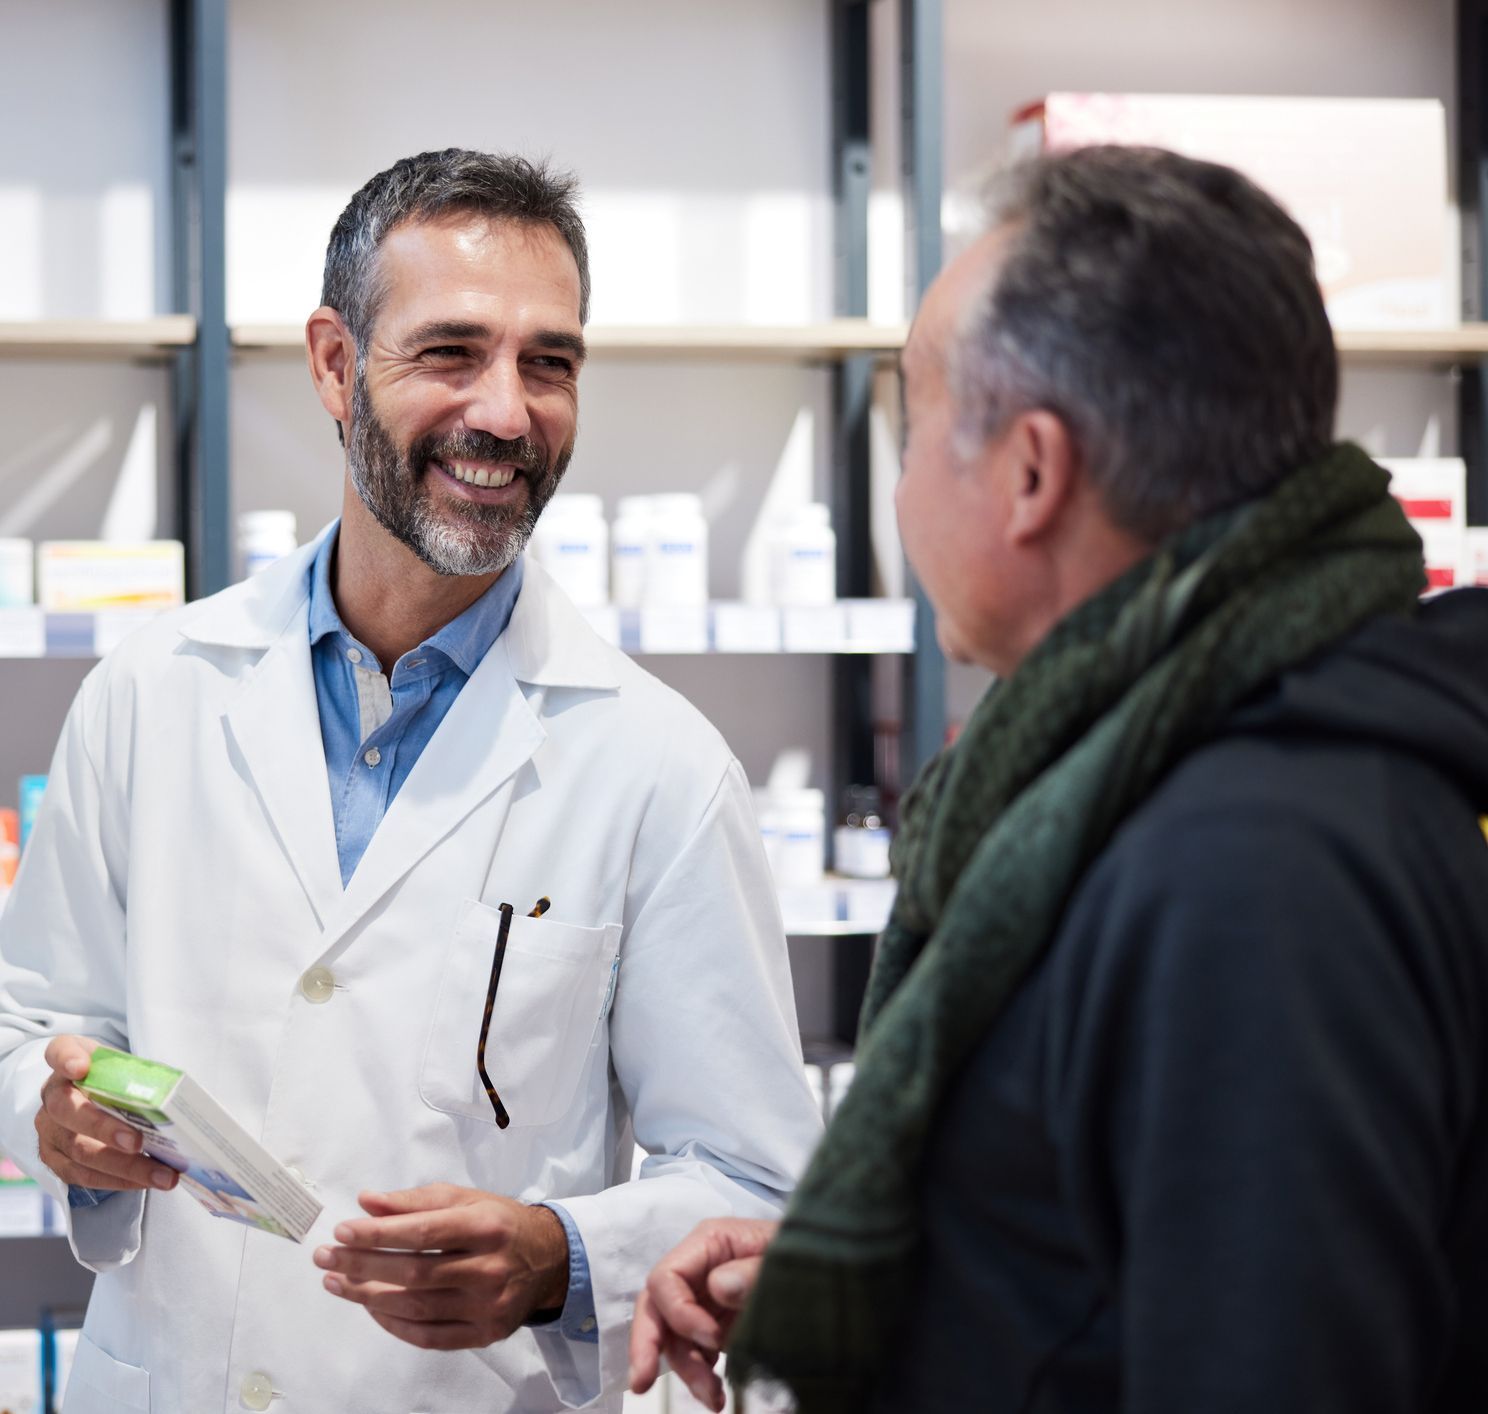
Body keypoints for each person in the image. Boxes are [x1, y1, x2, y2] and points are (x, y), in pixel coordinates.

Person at [630, 145, 1488, 1414]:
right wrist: (923, 1266)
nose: (906, 481)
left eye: (914, 425)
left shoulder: (1247, 862)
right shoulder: (1144, 767)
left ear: (1031, 471)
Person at [0, 148, 823, 1413]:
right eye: (451, 352)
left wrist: (560, 1258)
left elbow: (762, 1186)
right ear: (334, 365)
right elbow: (27, 1020)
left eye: (549, 361)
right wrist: (57, 1121)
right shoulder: (154, 689)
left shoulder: (660, 769)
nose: (505, 411)